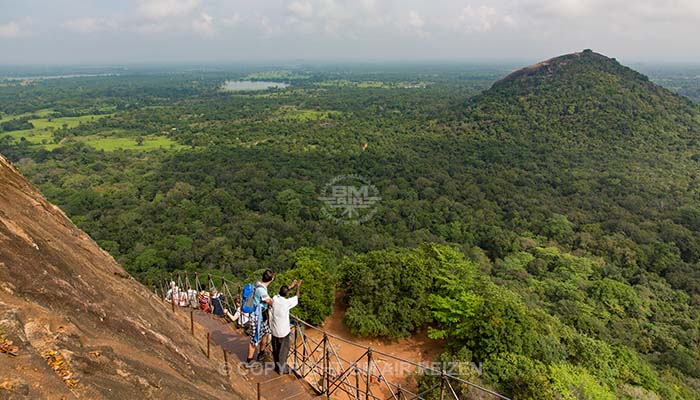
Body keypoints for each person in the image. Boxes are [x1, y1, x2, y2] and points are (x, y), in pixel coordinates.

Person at [244, 269, 274, 367]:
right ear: (271, 279)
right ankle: (249, 361)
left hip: (262, 316)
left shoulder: (259, 285)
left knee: (265, 333)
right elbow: (270, 302)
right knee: (254, 339)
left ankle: (261, 353)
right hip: (257, 318)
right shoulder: (261, 290)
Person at [270, 279, 301, 374]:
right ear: (287, 294)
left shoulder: (275, 298)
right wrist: (298, 286)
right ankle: (281, 369)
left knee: (275, 349)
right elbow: (297, 297)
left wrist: (290, 286)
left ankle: (277, 366)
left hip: (274, 330)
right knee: (283, 351)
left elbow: (283, 293)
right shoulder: (287, 302)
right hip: (283, 332)